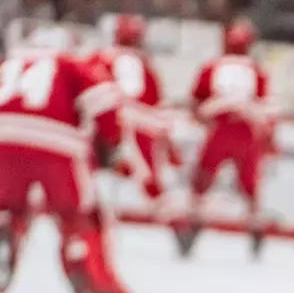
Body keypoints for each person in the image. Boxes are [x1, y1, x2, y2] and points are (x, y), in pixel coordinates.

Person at [0, 27, 134, 293]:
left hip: (1, 138)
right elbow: (104, 101)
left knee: (5, 208)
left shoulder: (5, 64)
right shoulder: (72, 65)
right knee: (77, 216)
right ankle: (80, 255)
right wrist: (114, 145)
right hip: (59, 143)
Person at [178, 18, 273, 258]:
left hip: (220, 130)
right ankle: (255, 228)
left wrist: (208, 116)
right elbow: (264, 109)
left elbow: (195, 104)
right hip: (246, 132)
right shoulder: (256, 71)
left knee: (202, 180)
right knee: (249, 185)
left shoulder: (213, 67)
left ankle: (193, 225)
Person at [94, 14, 175, 207]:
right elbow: (155, 101)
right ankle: (156, 198)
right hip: (137, 120)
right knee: (148, 164)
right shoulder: (145, 65)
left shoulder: (100, 57)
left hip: (108, 114)